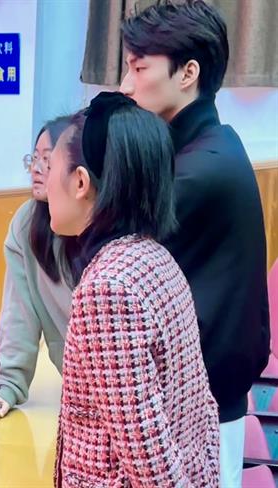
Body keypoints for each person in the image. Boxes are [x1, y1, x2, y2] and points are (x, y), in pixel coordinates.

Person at [120, 2, 269, 484]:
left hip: (197, 415)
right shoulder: (207, 147)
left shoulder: (197, 172)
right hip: (203, 402)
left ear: (188, 73)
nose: (126, 86)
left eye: (139, 68)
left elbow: (109, 265)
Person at [49, 92, 219, 487]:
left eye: (49, 166)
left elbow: (152, 465)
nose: (41, 183)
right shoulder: (155, 258)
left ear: (80, 182)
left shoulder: (107, 290)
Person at [0, 116, 73, 422]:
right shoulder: (26, 224)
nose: (36, 169)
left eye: (48, 160)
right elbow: (18, 313)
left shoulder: (101, 226)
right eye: (34, 158)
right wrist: (9, 386)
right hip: (77, 384)